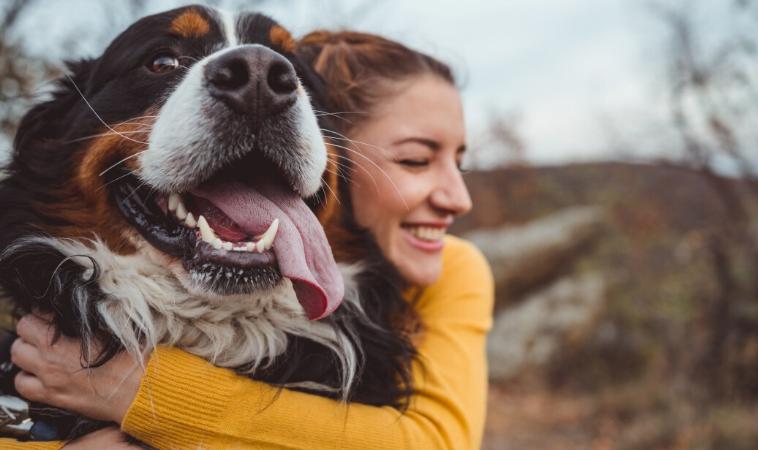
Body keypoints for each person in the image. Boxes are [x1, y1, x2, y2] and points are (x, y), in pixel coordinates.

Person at [4, 31, 494, 450]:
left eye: (460, 162)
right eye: (414, 160)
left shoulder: (456, 267)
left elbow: (435, 440)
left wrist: (137, 392)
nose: (460, 198)